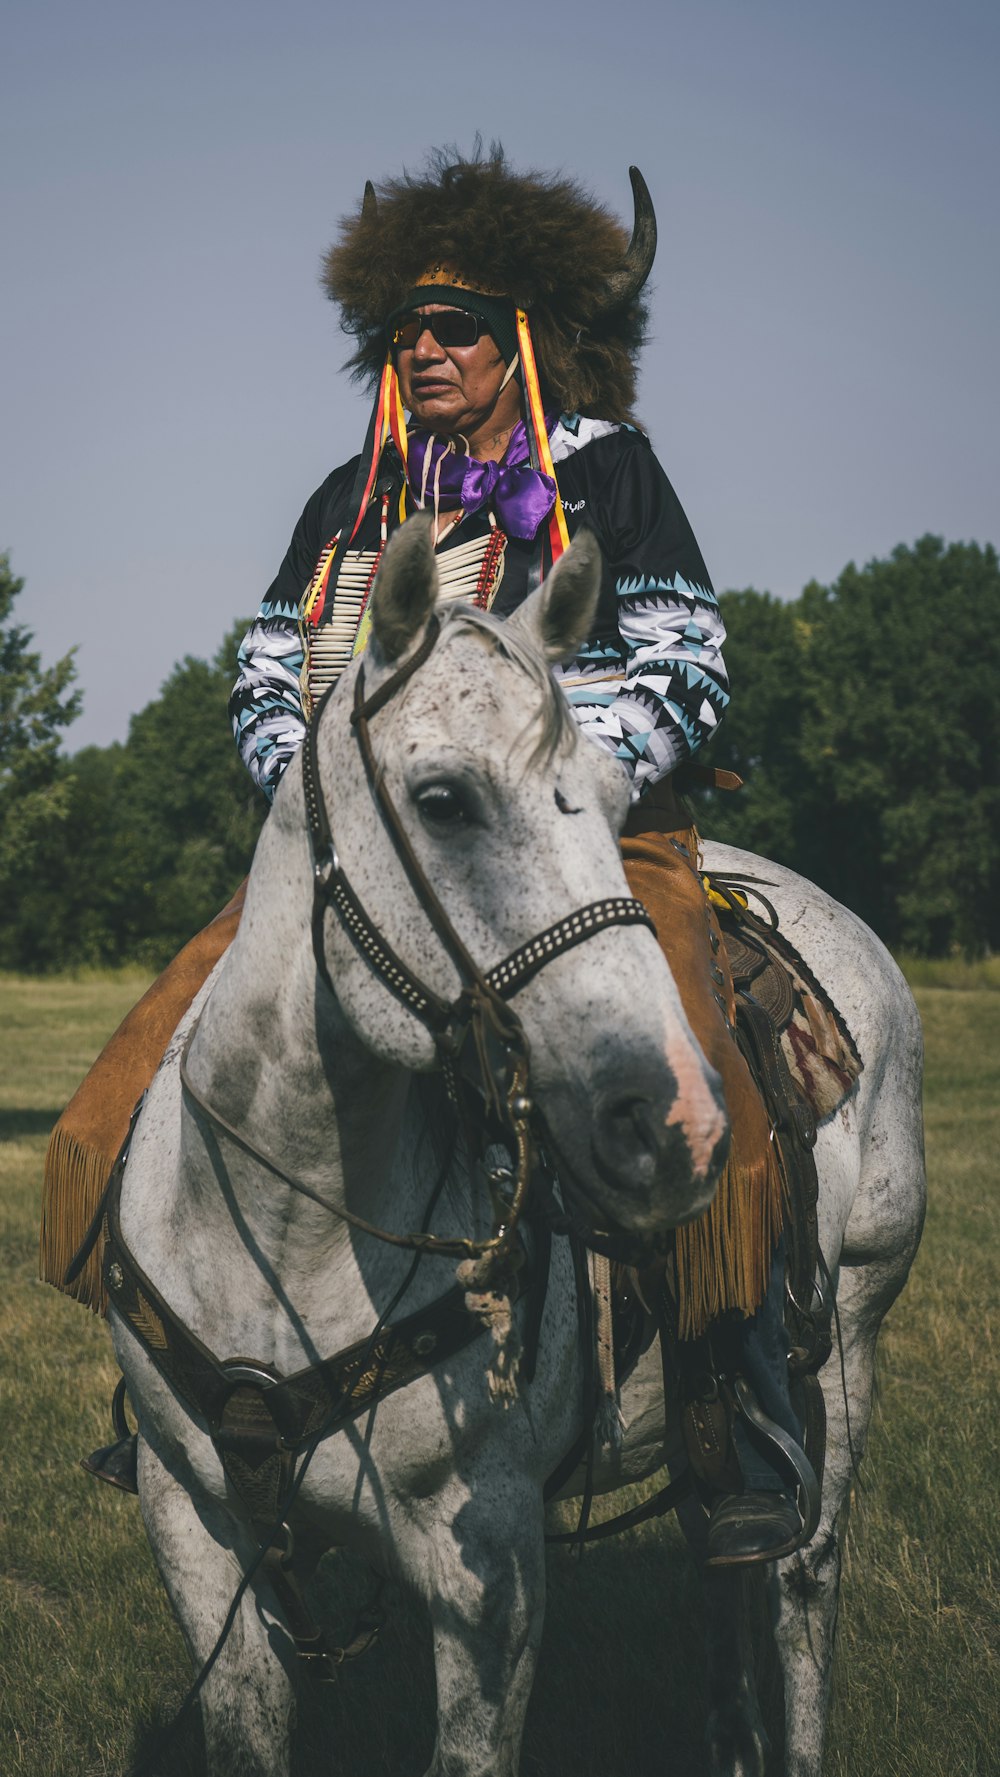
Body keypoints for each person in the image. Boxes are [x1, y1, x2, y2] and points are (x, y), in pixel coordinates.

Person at [227, 147, 810, 1565]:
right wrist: (315, 788)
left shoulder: (605, 471)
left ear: (520, 348)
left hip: (593, 839)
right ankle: (194, 1365)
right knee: (188, 1036)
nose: (424, 353)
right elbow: (262, 664)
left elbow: (684, 654)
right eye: (406, 334)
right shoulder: (353, 497)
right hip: (377, 850)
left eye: (457, 331)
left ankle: (726, 1391)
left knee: (684, 1032)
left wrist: (564, 785)